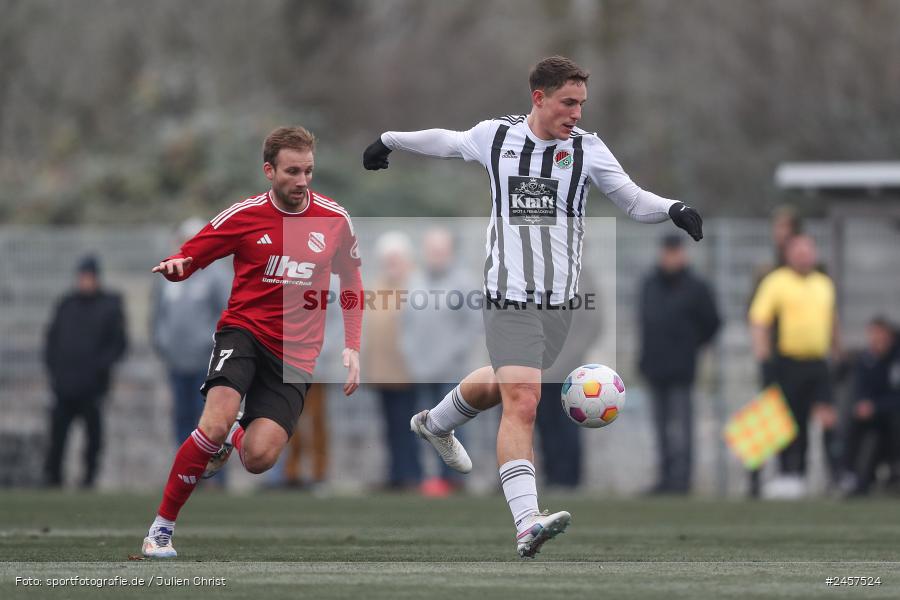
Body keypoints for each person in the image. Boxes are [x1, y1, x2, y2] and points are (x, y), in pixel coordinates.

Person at [363, 55, 704, 557]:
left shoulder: (588, 150)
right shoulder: (497, 137)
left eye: (582, 104)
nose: (577, 114)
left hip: (559, 303)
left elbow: (630, 199)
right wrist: (392, 140)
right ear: (539, 98)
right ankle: (527, 522)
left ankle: (434, 423)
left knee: (505, 384)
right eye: (569, 103)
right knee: (523, 398)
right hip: (508, 293)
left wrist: (672, 208)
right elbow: (448, 140)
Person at [141, 127, 363, 558]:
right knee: (215, 421)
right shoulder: (244, 215)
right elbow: (194, 254)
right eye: (292, 171)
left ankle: (231, 442)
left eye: (309, 171)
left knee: (260, 458)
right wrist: (177, 267)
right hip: (243, 332)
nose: (302, 181)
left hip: (297, 354)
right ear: (269, 171)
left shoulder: (334, 219)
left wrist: (352, 344)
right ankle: (161, 530)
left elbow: (352, 280)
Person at [749, 234, 840, 498]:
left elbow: (833, 322)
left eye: (808, 250)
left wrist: (838, 352)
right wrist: (763, 358)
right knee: (783, 421)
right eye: (798, 251)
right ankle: (786, 474)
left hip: (818, 363)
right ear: (788, 254)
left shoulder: (824, 284)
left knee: (826, 417)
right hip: (787, 363)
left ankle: (835, 476)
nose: (803, 255)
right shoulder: (776, 282)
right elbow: (759, 321)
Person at [400, 227, 483, 495]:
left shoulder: (463, 282)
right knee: (424, 425)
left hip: (451, 369)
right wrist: (411, 355)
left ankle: (455, 478)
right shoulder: (415, 281)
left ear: (449, 252)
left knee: (451, 423)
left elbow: (473, 326)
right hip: (421, 370)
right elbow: (406, 324)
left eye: (441, 250)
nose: (435, 255)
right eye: (431, 249)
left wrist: (451, 354)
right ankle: (434, 477)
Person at [638, 234, 720, 494]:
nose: (671, 257)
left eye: (675, 252)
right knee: (660, 429)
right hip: (654, 367)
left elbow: (713, 322)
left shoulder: (697, 287)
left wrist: (691, 345)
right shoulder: (650, 284)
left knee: (682, 429)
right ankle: (664, 479)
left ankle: (682, 482)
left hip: (682, 368)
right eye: (667, 252)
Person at [43, 255, 128, 488]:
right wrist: (55, 371)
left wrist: (99, 369)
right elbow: (51, 340)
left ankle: (88, 478)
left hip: (93, 386)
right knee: (58, 435)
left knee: (93, 438)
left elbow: (118, 344)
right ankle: (53, 478)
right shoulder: (66, 304)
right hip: (64, 384)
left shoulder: (109, 306)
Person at [151, 218, 230, 448]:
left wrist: (212, 344)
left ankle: (213, 476)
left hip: (206, 362)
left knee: (208, 419)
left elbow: (227, 312)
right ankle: (185, 471)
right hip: (176, 360)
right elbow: (158, 313)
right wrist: (161, 341)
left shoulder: (216, 274)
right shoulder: (170, 272)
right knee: (182, 416)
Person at [364, 231, 422, 490]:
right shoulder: (378, 284)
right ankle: (397, 473)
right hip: (382, 371)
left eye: (395, 258)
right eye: (388, 259)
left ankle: (413, 474)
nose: (391, 264)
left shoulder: (417, 284)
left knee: (412, 426)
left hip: (411, 371)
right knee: (391, 427)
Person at [840, 317, 900, 496]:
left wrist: (876, 407)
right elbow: (860, 391)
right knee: (852, 420)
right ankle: (849, 474)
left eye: (879, 335)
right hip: (875, 416)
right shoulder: (866, 360)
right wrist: (865, 406)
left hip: (892, 414)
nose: (875, 340)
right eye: (872, 335)